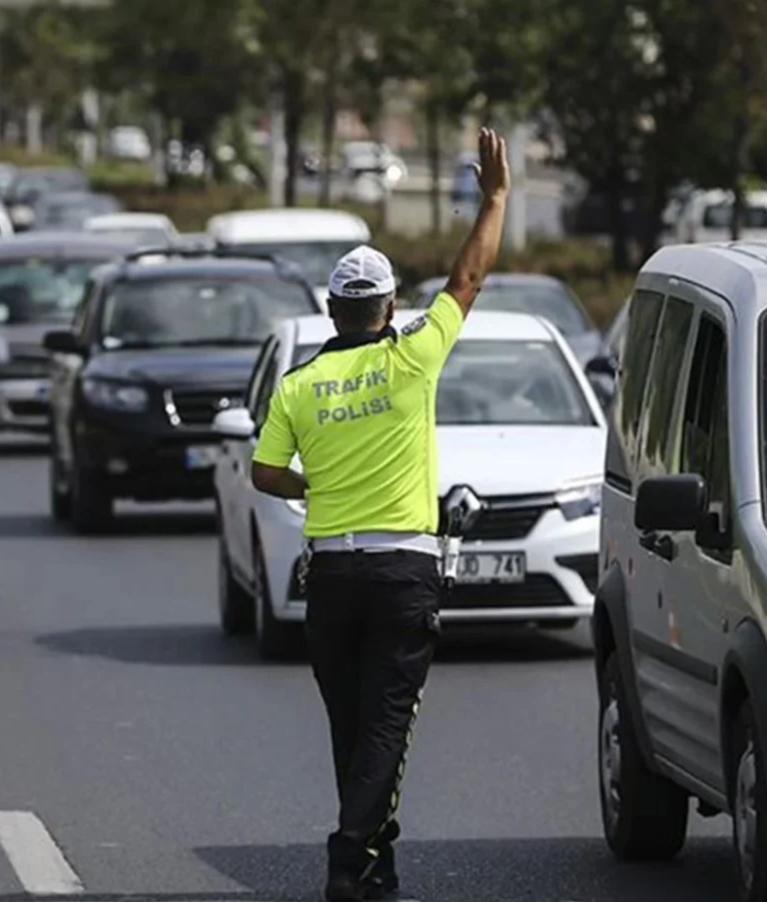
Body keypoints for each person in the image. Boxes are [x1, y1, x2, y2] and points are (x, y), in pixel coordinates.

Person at [250, 128, 510, 903]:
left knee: (352, 725)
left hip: (330, 571)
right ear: (390, 306)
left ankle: (374, 866)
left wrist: (312, 485)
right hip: (403, 572)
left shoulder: (300, 384)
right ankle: (347, 853)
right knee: (388, 724)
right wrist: (495, 197)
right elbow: (467, 278)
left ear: (332, 310)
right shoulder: (412, 358)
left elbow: (264, 472)